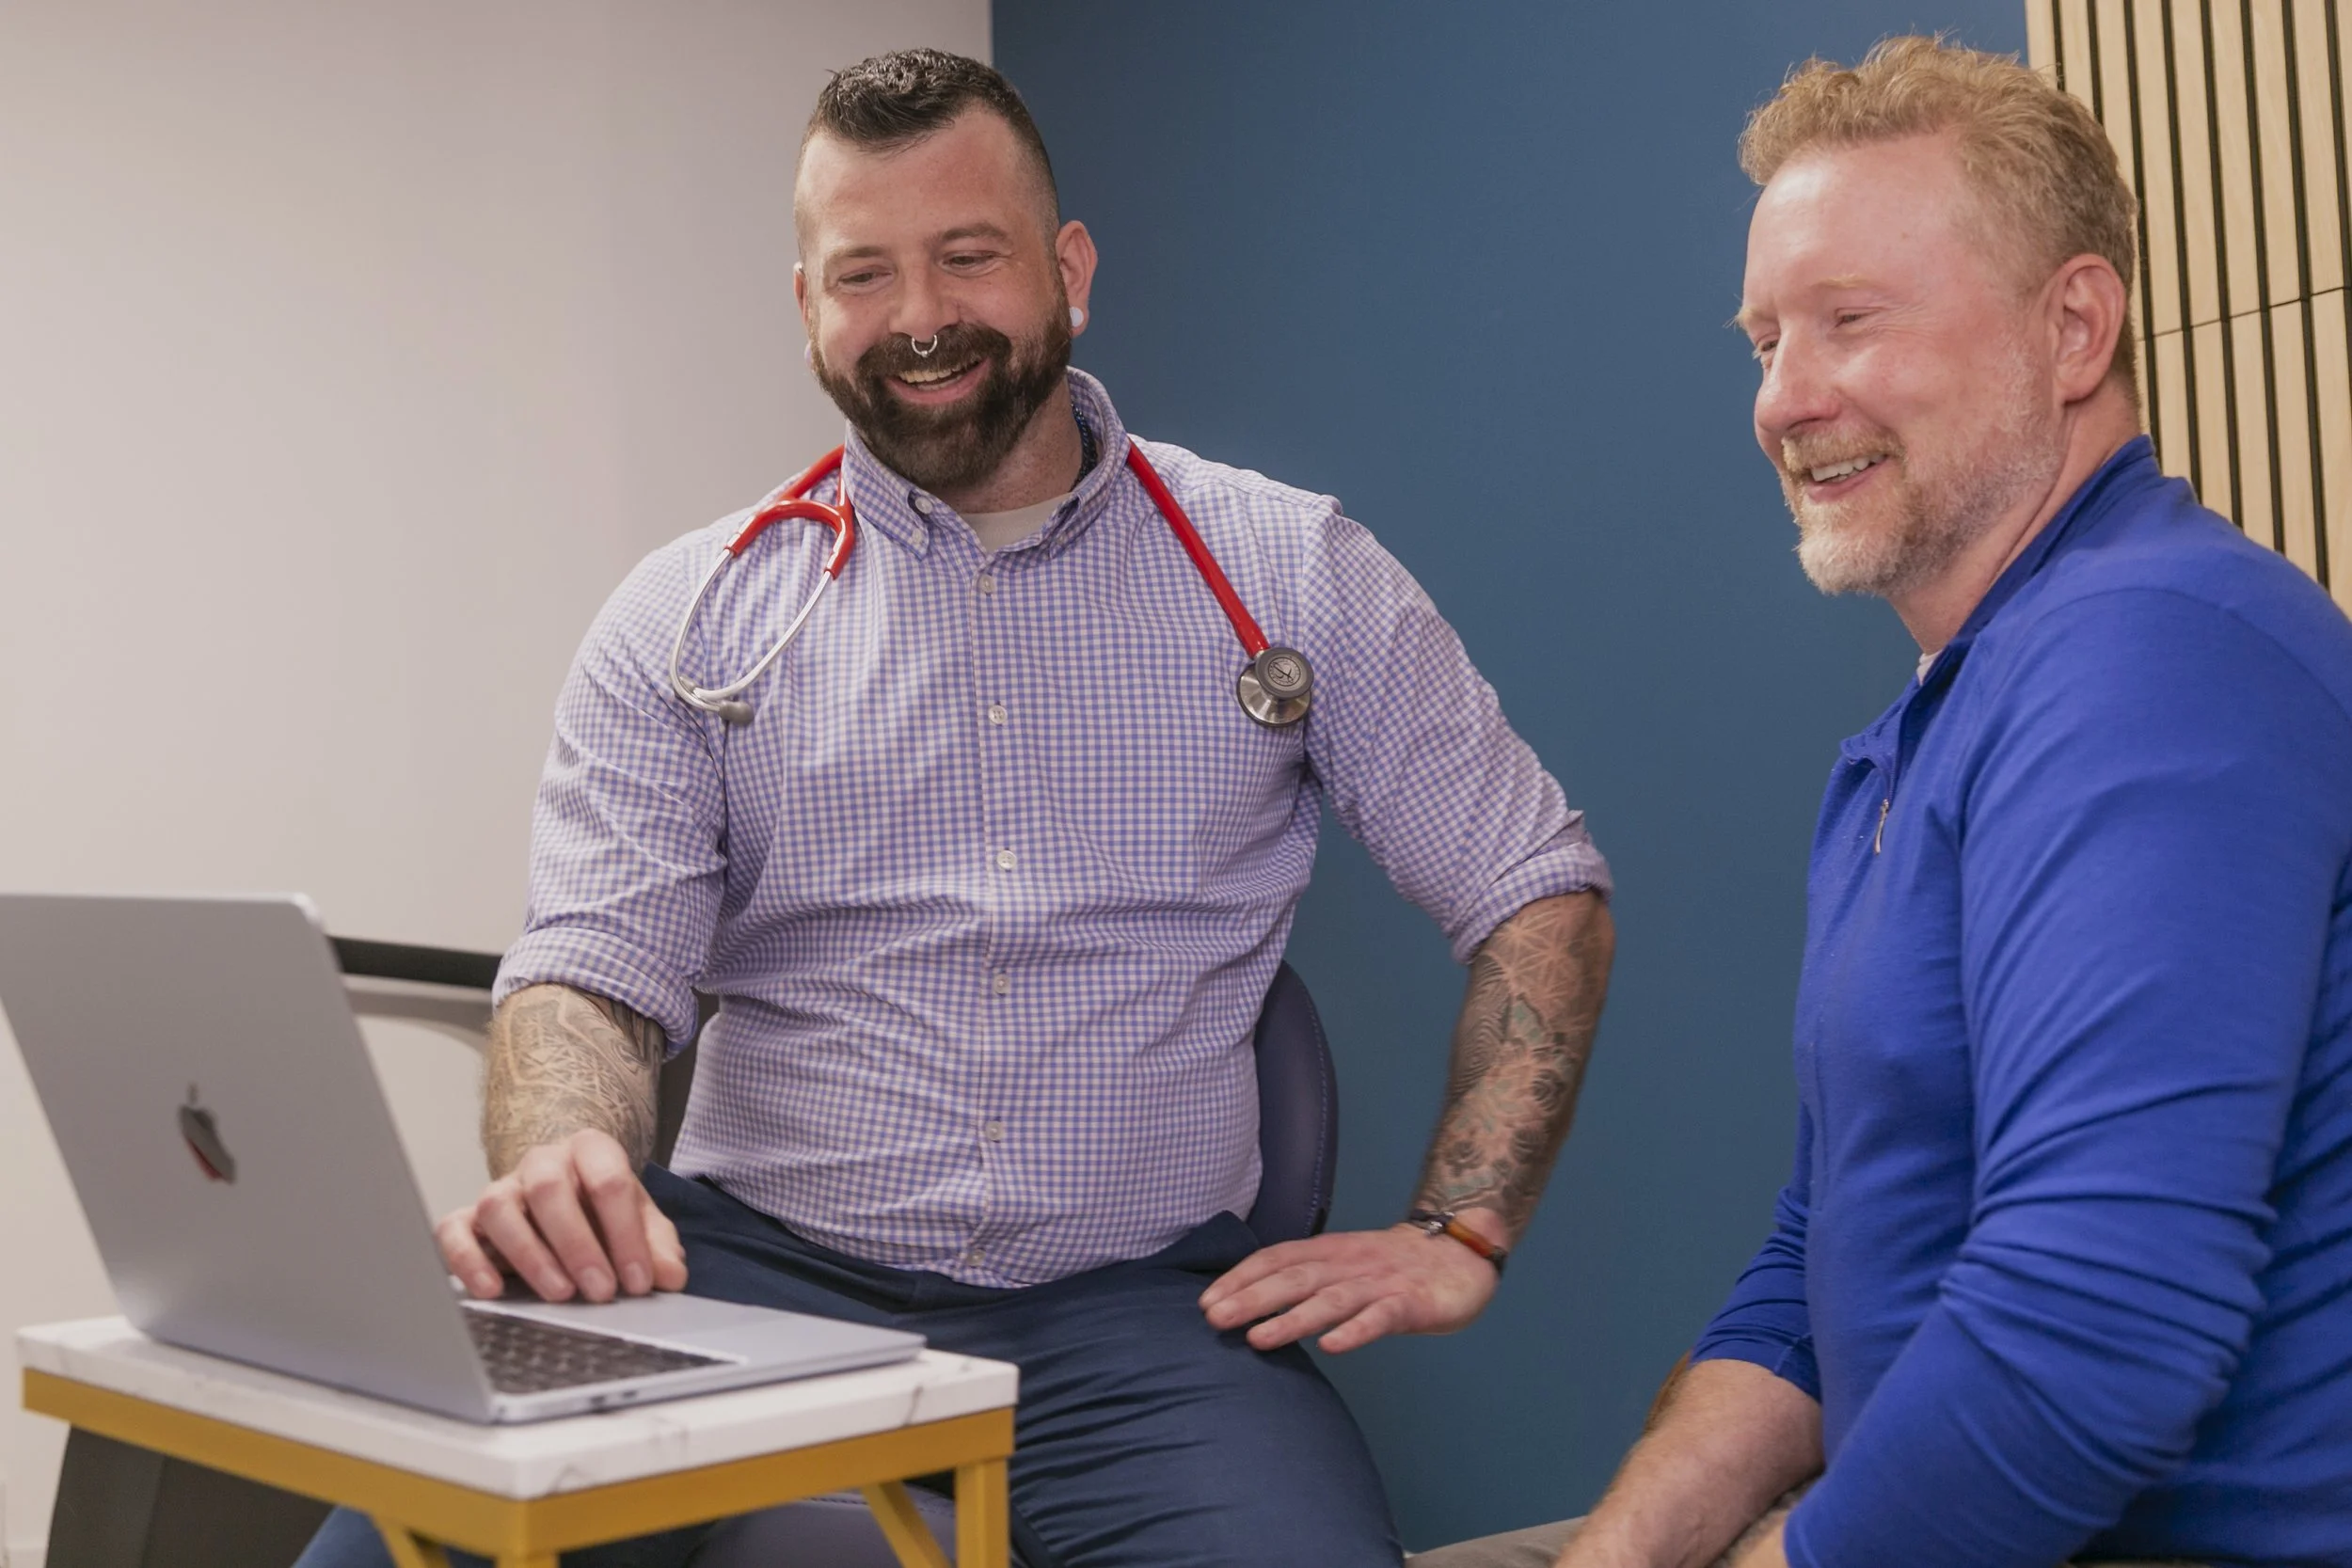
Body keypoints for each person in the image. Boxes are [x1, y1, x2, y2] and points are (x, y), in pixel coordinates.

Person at [295, 47, 1613, 1568]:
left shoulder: (1289, 573)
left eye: (968, 255)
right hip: (740, 1281)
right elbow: (586, 975)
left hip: (1135, 1330)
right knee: (405, 1545)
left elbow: (1535, 885)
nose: (919, 316)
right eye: (865, 273)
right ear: (809, 305)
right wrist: (561, 1153)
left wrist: (1459, 1226)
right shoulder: (690, 616)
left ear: (1070, 272)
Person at [1417, 34, 2352, 1568]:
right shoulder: (1926, 733)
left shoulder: (2154, 659)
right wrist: (1622, 1554)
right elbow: (1819, 1265)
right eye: (1763, 340)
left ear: (2074, 328)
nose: (1786, 400)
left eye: (1851, 321)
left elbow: (2094, 1331)